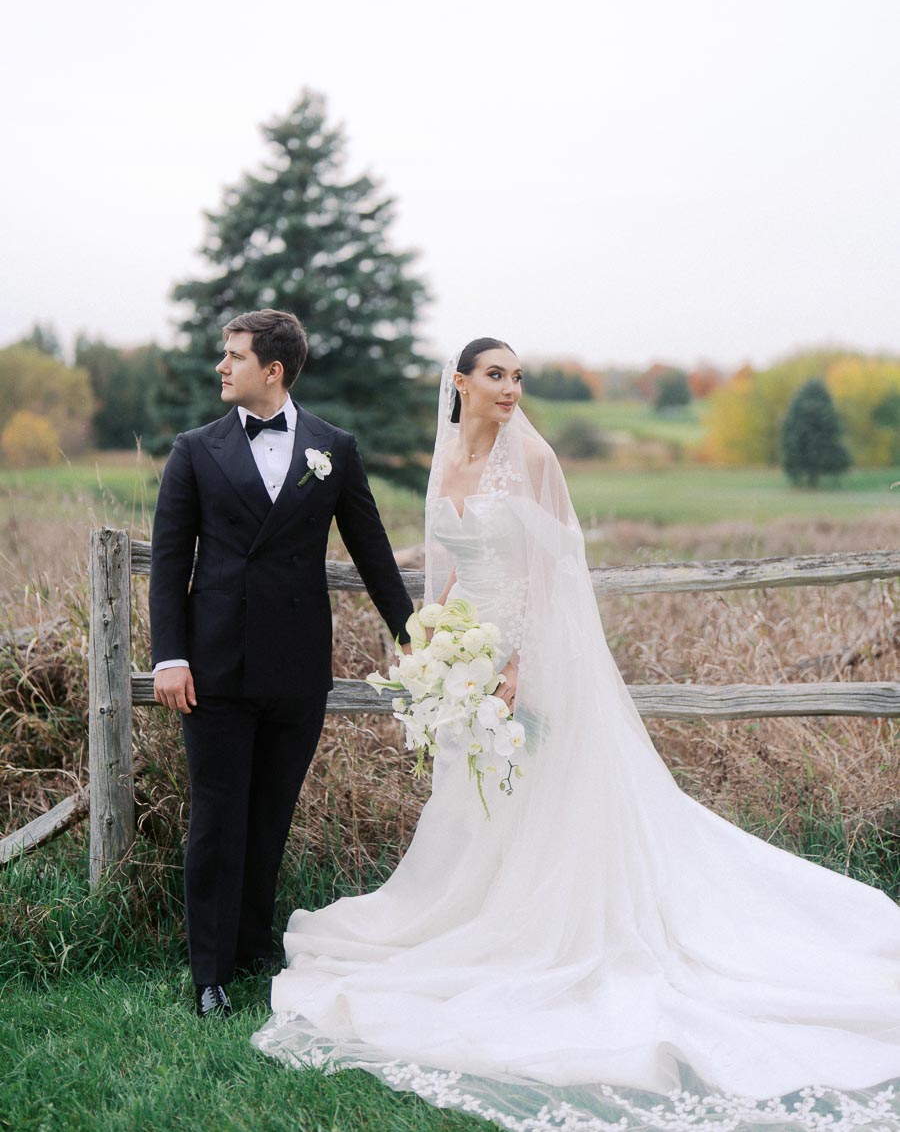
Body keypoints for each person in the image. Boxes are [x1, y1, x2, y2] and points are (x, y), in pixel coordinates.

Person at [252, 338, 900, 1131]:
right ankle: (478, 925)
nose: (511, 389)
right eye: (495, 375)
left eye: (518, 377)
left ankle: (548, 934)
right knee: (477, 802)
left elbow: (553, 567)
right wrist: (431, 645)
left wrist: (515, 659)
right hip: (462, 659)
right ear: (460, 383)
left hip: (526, 660)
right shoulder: (447, 460)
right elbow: (447, 568)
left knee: (539, 796)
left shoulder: (532, 462)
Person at [150, 309, 413, 1019]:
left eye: (233, 356)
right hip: (213, 667)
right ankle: (208, 971)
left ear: (273, 370)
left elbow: (371, 548)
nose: (220, 367)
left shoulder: (333, 447)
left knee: (270, 814)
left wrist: (413, 634)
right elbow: (170, 563)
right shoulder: (195, 450)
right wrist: (169, 657)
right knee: (216, 817)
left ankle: (252, 945)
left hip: (298, 665)